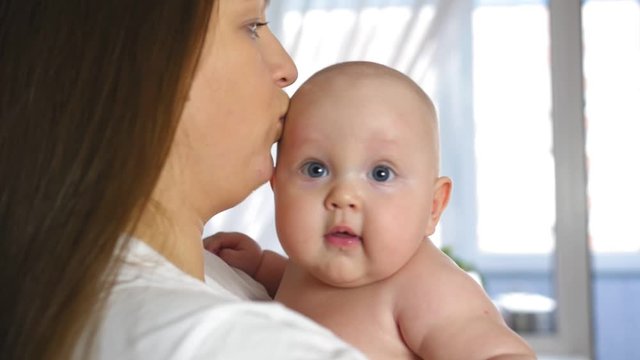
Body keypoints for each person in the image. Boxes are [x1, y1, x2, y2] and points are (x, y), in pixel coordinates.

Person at [0, 1, 367, 359]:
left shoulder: (66, 291)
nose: (287, 69)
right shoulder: (227, 344)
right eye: (252, 26)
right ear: (142, 57)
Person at [205, 61, 537, 359]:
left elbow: (500, 353)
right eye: (315, 169)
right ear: (276, 184)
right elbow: (304, 293)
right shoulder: (308, 268)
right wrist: (259, 266)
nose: (344, 195)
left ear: (432, 207)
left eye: (381, 174)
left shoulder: (428, 289)